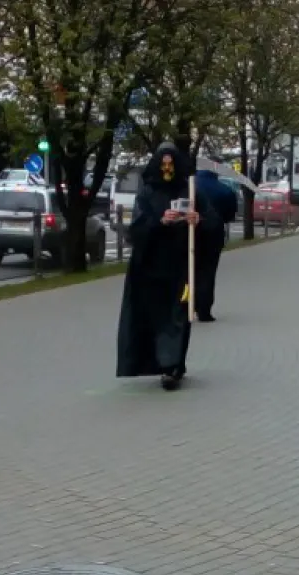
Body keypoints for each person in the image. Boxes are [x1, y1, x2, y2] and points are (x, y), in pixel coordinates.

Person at [116, 142, 213, 391]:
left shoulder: (190, 190)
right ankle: (161, 362)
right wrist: (160, 221)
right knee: (157, 316)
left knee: (179, 314)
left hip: (182, 264)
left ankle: (173, 366)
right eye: (164, 164)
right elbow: (137, 228)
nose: (167, 169)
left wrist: (197, 219)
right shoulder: (147, 192)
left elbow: (213, 223)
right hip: (151, 266)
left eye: (171, 164)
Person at [192, 169, 233, 322]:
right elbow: (230, 215)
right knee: (208, 271)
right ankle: (204, 309)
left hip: (190, 232)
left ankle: (185, 304)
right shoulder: (224, 190)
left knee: (188, 268)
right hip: (214, 233)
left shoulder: (190, 186)